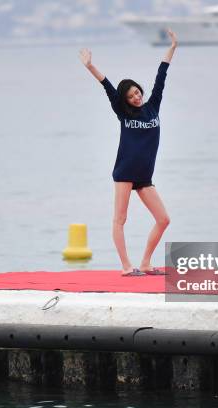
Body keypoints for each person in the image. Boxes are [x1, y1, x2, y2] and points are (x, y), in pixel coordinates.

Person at [79, 29, 178, 277]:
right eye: (131, 96)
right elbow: (107, 86)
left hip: (144, 175)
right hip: (125, 171)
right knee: (120, 219)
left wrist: (172, 47)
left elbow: (161, 76)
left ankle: (145, 263)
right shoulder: (124, 112)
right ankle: (126, 267)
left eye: (137, 92)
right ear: (125, 100)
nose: (136, 97)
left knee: (164, 219)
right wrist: (90, 66)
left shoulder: (153, 106)